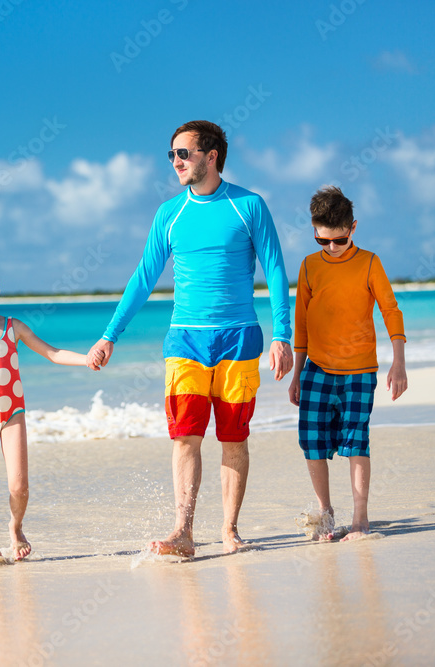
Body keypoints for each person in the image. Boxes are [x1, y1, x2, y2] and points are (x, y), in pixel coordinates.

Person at [86, 120, 293, 558]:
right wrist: (109, 336)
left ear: (211, 156)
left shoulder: (249, 205)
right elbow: (144, 278)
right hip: (185, 341)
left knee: (234, 438)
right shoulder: (169, 214)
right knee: (185, 437)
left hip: (239, 338)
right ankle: (183, 531)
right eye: (172, 155)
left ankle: (230, 529)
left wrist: (283, 334)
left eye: (184, 153)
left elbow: (274, 269)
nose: (175, 162)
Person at [289, 185, 407, 541]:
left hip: (359, 371)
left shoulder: (369, 262)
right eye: (323, 241)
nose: (332, 248)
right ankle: (326, 514)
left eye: (339, 240)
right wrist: (297, 373)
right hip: (317, 371)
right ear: (314, 232)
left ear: (352, 228)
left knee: (356, 441)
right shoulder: (309, 266)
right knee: (311, 442)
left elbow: (390, 309)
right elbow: (302, 322)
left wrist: (398, 362)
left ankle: (360, 519)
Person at [0, 259, 88, 564]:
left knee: (19, 486)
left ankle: (16, 528)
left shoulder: (13, 327)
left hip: (13, 413)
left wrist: (87, 359)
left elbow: (52, 353)